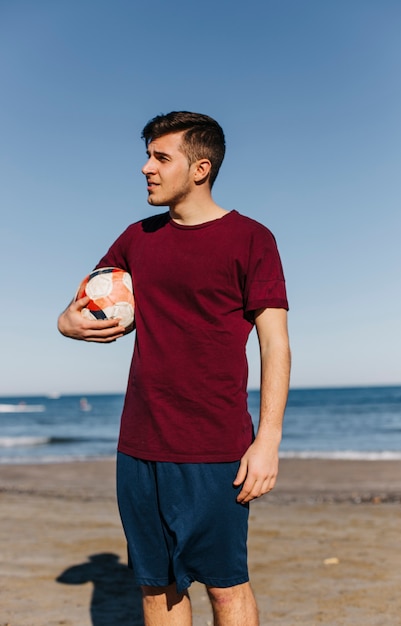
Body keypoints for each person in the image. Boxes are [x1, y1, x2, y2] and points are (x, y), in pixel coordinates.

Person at [58, 111, 291, 626]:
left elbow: (275, 345)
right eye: (147, 156)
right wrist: (67, 323)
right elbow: (83, 307)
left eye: (161, 158)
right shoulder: (136, 238)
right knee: (157, 590)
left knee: (226, 588)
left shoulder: (252, 239)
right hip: (139, 445)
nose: (146, 168)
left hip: (215, 448)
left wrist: (268, 439)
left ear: (201, 168)